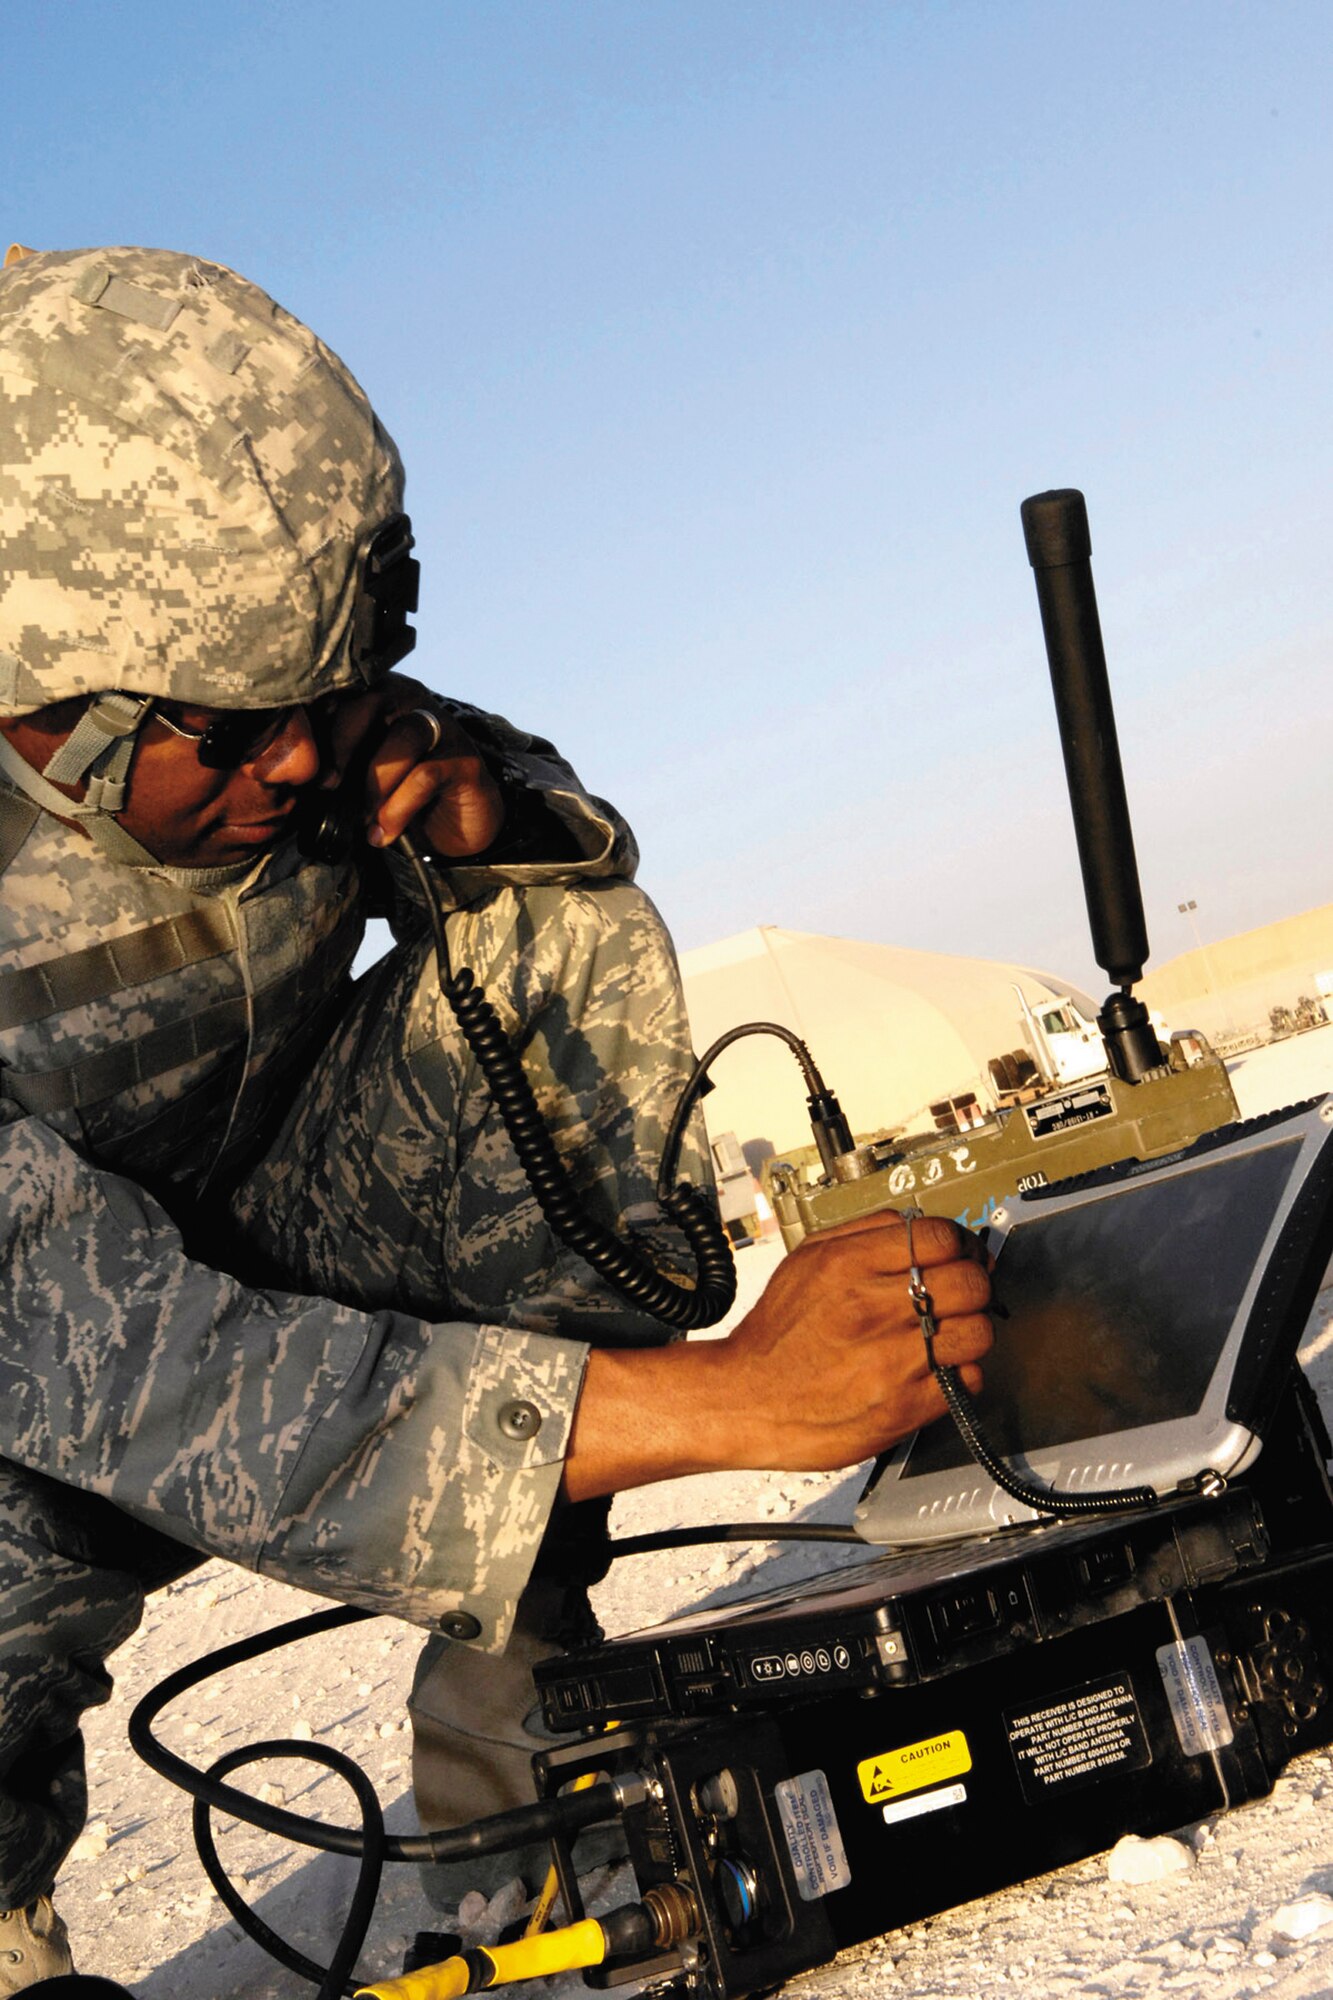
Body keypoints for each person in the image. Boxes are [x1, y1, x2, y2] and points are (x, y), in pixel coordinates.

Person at [0, 244, 993, 1987]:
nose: (297, 765)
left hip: (242, 1232)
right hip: (57, 1371)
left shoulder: (279, 722)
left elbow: (513, 824)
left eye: (333, 695)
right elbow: (141, 1368)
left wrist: (489, 819)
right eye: (232, 732)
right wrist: (733, 1403)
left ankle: (536, 1749)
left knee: (549, 937)